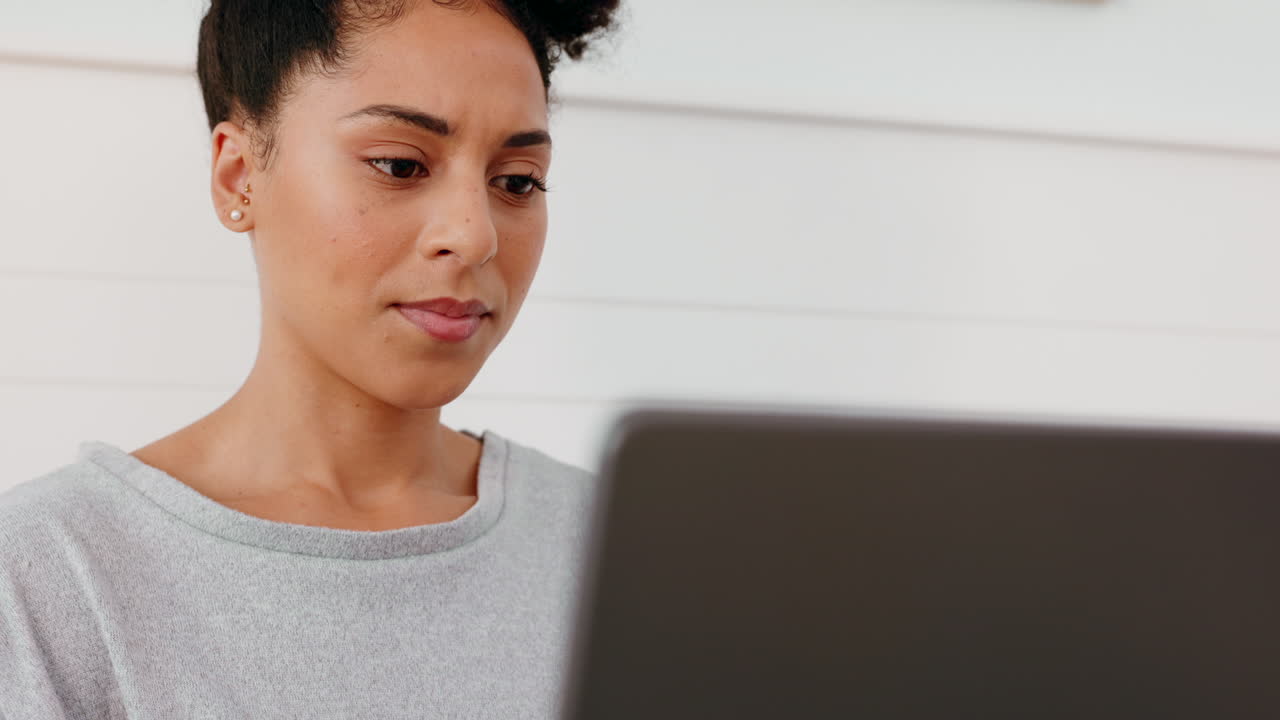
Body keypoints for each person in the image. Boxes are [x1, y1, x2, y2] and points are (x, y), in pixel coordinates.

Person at [0, 0, 621, 717]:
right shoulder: (51, 579)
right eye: (399, 165)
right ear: (239, 177)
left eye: (517, 181)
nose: (474, 234)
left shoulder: (619, 550)